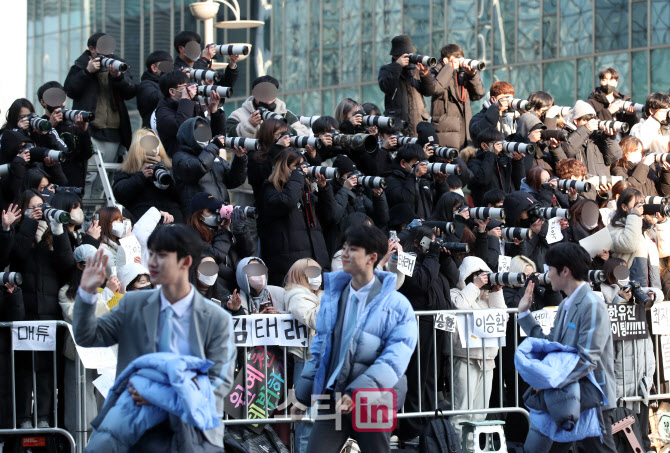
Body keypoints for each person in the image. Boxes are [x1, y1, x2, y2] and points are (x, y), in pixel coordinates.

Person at [73, 224, 237, 450]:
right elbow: (87, 337)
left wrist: (158, 396)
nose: (152, 264)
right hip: (133, 429)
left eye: (161, 256)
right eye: (151, 255)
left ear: (185, 262)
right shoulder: (132, 304)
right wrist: (87, 292)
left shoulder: (217, 319)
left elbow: (218, 382)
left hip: (192, 433)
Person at [292, 224, 418, 453]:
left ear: (372, 257)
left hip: (374, 400)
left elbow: (393, 361)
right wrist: (302, 395)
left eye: (353, 249)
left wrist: (358, 393)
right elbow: (319, 351)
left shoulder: (398, 307)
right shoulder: (334, 298)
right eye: (344, 247)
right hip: (334, 396)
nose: (345, 254)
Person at [517, 242, 616, 453]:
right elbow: (551, 347)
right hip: (569, 396)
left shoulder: (591, 304)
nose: (548, 275)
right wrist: (525, 315)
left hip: (592, 398)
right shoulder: (566, 304)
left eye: (550, 269)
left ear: (565, 271)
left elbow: (588, 358)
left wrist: (550, 381)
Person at [11, 189, 75, 428]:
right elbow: (17, 255)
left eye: (42, 206)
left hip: (49, 314)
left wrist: (58, 232)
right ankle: (24, 417)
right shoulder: (19, 233)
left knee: (48, 371)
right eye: (33, 207)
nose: (40, 211)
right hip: (23, 313)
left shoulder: (52, 236)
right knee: (25, 370)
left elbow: (67, 264)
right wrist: (28, 223)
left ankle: (45, 416)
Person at [63, 32, 137, 197]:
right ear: (92, 49)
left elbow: (131, 91)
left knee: (106, 177)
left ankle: (99, 216)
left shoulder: (118, 65)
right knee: (89, 174)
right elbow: (70, 90)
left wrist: (118, 77)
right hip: (90, 129)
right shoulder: (80, 66)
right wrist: (87, 72)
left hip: (113, 131)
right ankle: (84, 213)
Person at [448, 256, 507, 444]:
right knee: (462, 411)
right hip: (465, 358)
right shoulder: (456, 293)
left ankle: (473, 447)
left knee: (481, 412)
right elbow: (459, 307)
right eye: (477, 276)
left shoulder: (486, 298)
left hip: (488, 360)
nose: (483, 279)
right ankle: (459, 447)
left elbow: (501, 317)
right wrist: (474, 286)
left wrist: (496, 292)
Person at [259, 150, 336, 285]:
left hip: (315, 258)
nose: (303, 170)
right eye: (297, 166)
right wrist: (298, 177)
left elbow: (329, 216)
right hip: (290, 264)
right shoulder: (271, 188)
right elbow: (287, 201)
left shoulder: (305, 190)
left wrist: (324, 189)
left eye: (304, 166)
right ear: (284, 167)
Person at [172, 117, 248, 217]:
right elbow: (198, 168)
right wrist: (214, 146)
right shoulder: (180, 157)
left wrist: (240, 159)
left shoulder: (214, 156)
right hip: (198, 217)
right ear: (189, 135)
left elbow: (234, 181)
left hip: (221, 214)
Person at [285, 258, 323, 453]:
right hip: (306, 362)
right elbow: (314, 319)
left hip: (321, 362)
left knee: (321, 419)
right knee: (307, 418)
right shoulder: (297, 297)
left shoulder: (317, 296)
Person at [186, 192, 254, 298]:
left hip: (234, 290)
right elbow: (216, 255)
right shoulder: (192, 236)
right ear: (199, 216)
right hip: (214, 292)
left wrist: (240, 230)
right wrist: (224, 232)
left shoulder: (221, 230)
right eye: (211, 211)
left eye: (217, 209)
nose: (216, 213)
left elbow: (247, 252)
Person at [113, 129, 183, 222]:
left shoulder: (170, 166)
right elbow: (120, 195)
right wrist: (141, 176)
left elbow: (181, 195)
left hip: (171, 219)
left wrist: (167, 180)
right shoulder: (128, 170)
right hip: (144, 219)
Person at [36, 81, 94, 190]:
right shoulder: (39, 124)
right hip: (50, 186)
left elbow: (87, 154)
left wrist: (84, 132)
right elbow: (39, 153)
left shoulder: (74, 122)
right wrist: (50, 127)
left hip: (74, 185)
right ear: (43, 102)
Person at [155, 70, 225, 158]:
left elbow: (217, 135)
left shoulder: (191, 105)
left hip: (204, 159)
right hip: (183, 163)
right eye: (185, 86)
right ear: (172, 92)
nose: (190, 89)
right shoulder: (163, 111)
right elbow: (182, 128)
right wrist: (186, 100)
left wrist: (214, 110)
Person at [429, 43, 486, 149]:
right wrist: (449, 68)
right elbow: (436, 89)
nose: (459, 61)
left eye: (461, 58)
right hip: (445, 132)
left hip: (464, 131)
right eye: (456, 58)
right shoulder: (435, 71)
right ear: (445, 60)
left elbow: (479, 94)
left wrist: (472, 75)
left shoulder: (462, 74)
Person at [378, 34, 436, 137]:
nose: (408, 56)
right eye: (404, 54)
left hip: (418, 123)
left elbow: (429, 91)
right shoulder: (387, 69)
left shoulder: (416, 70)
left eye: (409, 53)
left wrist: (425, 75)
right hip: (398, 124)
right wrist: (398, 66)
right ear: (395, 55)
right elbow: (386, 87)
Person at [552, 100, 623, 177]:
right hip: (580, 184)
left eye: (592, 120)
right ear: (576, 121)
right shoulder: (564, 134)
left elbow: (614, 157)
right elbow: (568, 151)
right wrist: (585, 129)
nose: (590, 123)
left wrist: (609, 137)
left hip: (601, 185)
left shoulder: (598, 135)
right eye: (586, 120)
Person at [226, 75, 309, 138]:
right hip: (247, 160)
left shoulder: (285, 114)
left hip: (280, 160)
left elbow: (304, 137)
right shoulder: (238, 114)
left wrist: (284, 128)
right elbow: (226, 139)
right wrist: (249, 125)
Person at [467, 128, 526, 206]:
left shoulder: (505, 160)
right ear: (484, 145)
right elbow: (482, 179)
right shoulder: (473, 162)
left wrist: (517, 162)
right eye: (496, 143)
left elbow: (519, 183)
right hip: (487, 209)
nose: (500, 146)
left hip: (507, 207)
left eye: (502, 143)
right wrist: (491, 154)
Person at [607, 188, 650, 286]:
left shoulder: (642, 225)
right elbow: (629, 245)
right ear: (624, 207)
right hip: (625, 284)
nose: (640, 208)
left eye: (642, 204)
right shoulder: (613, 228)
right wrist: (634, 216)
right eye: (636, 205)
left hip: (644, 281)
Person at [172, 30, 240, 88]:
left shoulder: (204, 67)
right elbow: (195, 77)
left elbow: (226, 85)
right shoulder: (174, 71)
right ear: (181, 49)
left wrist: (232, 63)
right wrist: (204, 59)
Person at [137, 50, 173, 128]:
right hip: (152, 131)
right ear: (154, 68)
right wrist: (171, 81)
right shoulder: (145, 85)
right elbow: (155, 99)